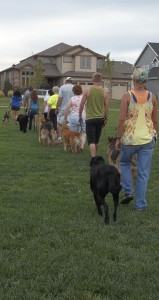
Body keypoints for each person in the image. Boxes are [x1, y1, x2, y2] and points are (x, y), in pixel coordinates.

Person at [115, 67, 158, 211]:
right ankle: (140, 205)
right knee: (143, 173)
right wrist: (155, 135)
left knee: (125, 163)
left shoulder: (127, 96)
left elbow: (121, 118)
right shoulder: (152, 97)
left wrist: (118, 137)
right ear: (145, 80)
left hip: (129, 139)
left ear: (133, 80)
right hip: (147, 140)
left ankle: (128, 191)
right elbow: (155, 120)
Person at [79, 72, 109, 157]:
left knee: (91, 140)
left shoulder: (87, 90)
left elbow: (81, 105)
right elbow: (106, 106)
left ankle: (94, 158)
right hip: (100, 119)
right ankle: (95, 156)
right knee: (96, 140)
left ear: (93, 79)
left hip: (90, 119)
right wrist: (106, 118)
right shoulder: (104, 92)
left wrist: (80, 116)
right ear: (100, 80)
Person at [55, 77, 74, 142]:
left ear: (66, 81)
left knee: (59, 124)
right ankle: (69, 138)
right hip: (72, 109)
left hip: (63, 108)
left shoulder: (62, 87)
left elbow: (60, 98)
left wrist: (57, 107)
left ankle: (60, 138)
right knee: (69, 124)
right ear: (72, 82)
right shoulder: (74, 87)